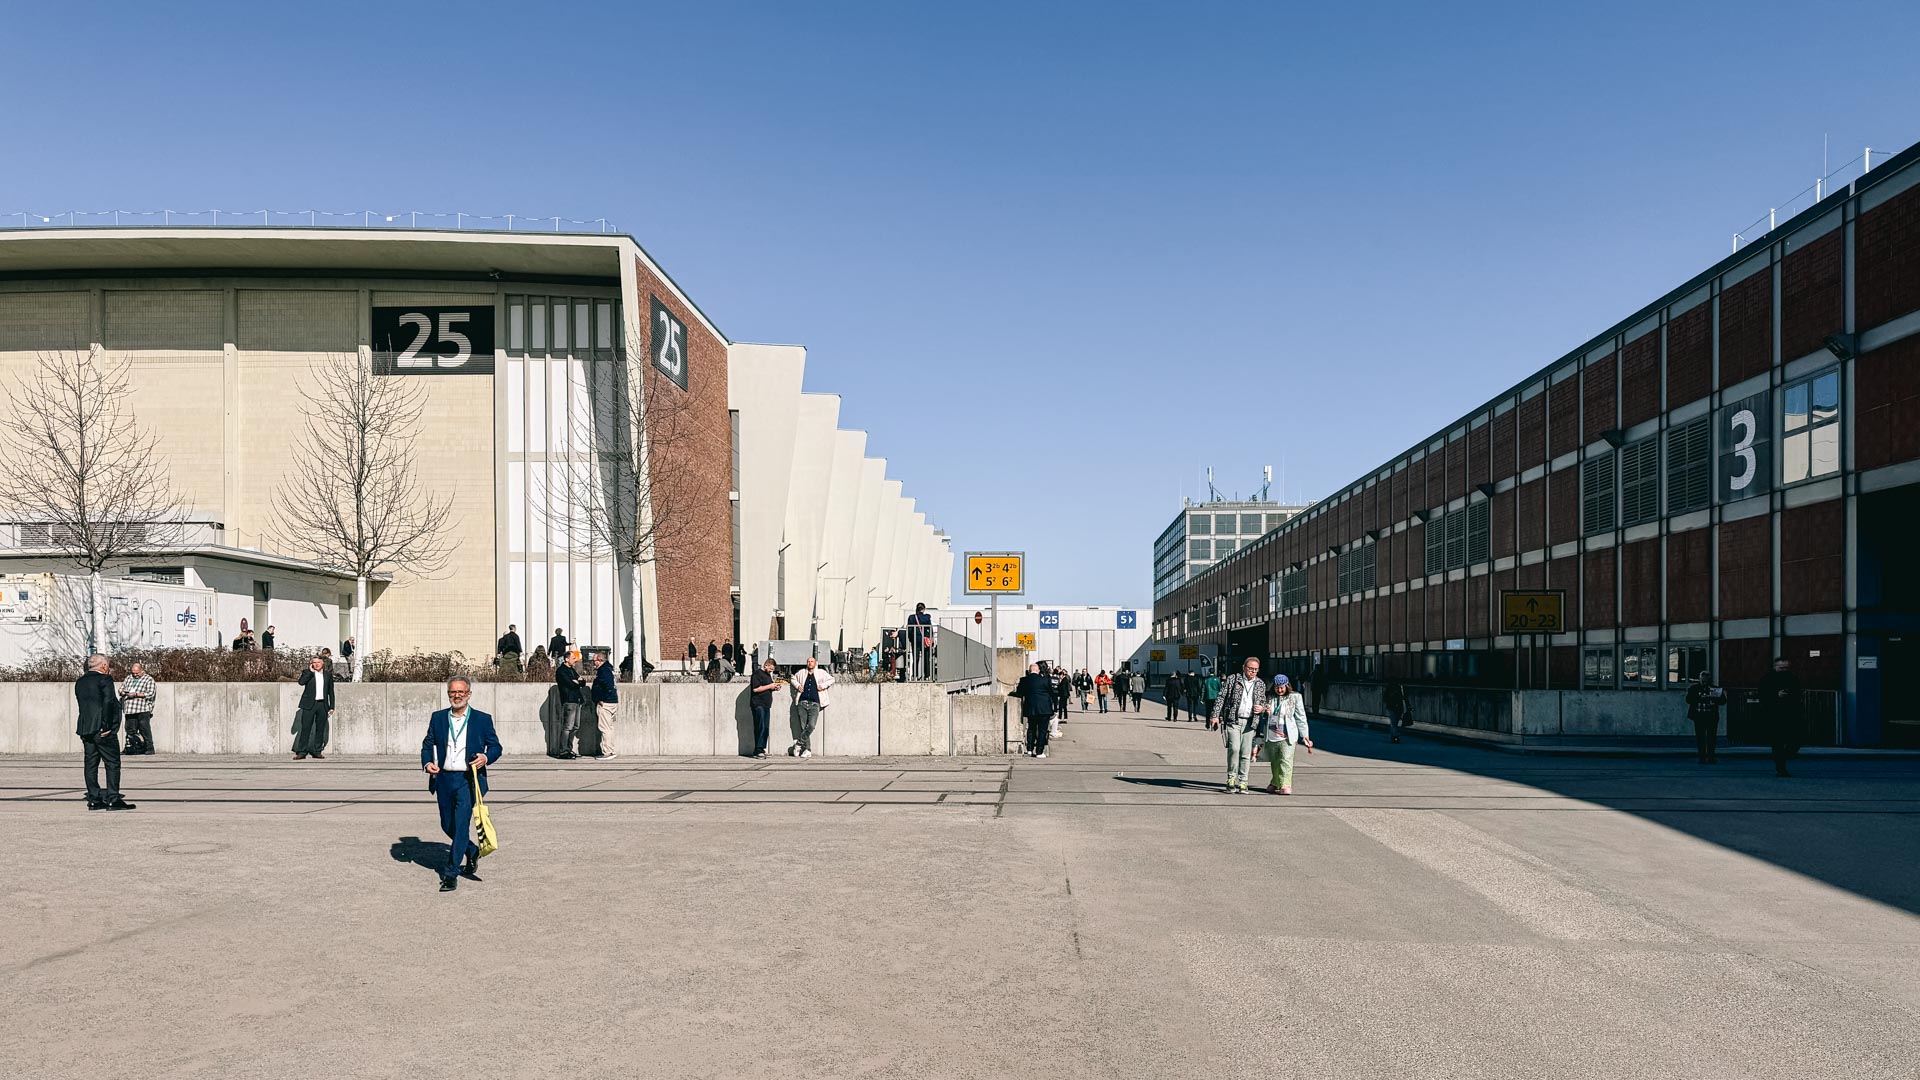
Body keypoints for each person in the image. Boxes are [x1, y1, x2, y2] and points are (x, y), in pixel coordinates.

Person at [420, 676, 503, 892]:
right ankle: (471, 850)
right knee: (447, 825)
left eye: (461, 692)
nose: (457, 696)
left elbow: (496, 747)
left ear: (469, 694)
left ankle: (451, 874)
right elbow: (427, 744)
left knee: (461, 825)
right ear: (448, 694)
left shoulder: (482, 719)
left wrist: (486, 757)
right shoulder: (438, 718)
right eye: (453, 692)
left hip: (468, 780)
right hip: (444, 779)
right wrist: (427, 763)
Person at [76, 654, 132, 810]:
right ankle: (113, 798)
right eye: (108, 664)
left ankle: (94, 799)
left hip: (86, 728)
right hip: (102, 728)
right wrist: (106, 726)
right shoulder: (104, 679)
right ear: (104, 665)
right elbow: (108, 702)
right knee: (112, 762)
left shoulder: (80, 681)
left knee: (90, 764)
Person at [1212, 656, 1269, 793]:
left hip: (1250, 722)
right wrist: (1215, 715)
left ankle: (1243, 781)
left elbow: (1264, 702)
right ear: (1244, 667)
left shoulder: (1260, 684)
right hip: (1234, 720)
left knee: (1246, 753)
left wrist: (1262, 708)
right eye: (1250, 669)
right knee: (1234, 749)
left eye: (1256, 669)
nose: (1253, 672)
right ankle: (1231, 778)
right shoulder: (1233, 679)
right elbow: (1221, 697)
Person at [1259, 674, 1313, 795]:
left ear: (1287, 686)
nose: (1279, 690)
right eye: (1277, 687)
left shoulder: (1295, 697)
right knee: (1275, 761)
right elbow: (1262, 715)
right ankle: (1275, 782)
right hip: (1272, 734)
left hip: (1287, 735)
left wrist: (1305, 735)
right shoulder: (1269, 697)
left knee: (1285, 760)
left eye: (1282, 687)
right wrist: (1265, 712)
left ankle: (1285, 784)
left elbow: (1301, 717)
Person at [1757, 657, 1803, 778]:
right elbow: (1762, 696)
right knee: (1778, 744)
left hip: (1791, 715)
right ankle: (1781, 768)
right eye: (1781, 668)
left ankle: (1784, 758)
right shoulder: (1767, 679)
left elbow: (1798, 694)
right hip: (1774, 716)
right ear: (1775, 667)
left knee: (1796, 740)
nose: (1784, 670)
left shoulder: (1793, 678)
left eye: (1786, 668)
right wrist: (1776, 695)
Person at [788, 655, 834, 758]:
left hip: (815, 704)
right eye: (808, 661)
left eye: (812, 661)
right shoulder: (802, 672)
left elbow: (832, 679)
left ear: (815, 663)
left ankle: (799, 744)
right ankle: (807, 750)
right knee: (803, 726)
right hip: (802, 703)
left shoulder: (821, 672)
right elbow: (792, 678)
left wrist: (823, 686)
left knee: (811, 725)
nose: (810, 663)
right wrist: (798, 686)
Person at [293, 655, 336, 759]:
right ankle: (302, 752)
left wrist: (332, 706)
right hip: (309, 705)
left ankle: (317, 751)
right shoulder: (307, 673)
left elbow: (331, 691)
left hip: (322, 705)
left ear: (322, 663)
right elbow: (301, 682)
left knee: (320, 729)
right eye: (314, 662)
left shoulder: (327, 675)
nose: (316, 664)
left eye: (318, 662)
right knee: (305, 728)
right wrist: (310, 672)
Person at [1012, 662, 1056, 758]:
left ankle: (1029, 749)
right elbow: (1052, 693)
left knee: (1031, 728)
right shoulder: (1045, 680)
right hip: (1044, 709)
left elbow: (1019, 693)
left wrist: (1011, 693)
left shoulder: (1024, 680)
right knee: (1042, 730)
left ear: (1029, 671)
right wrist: (1054, 707)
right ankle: (1039, 751)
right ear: (1038, 670)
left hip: (1031, 708)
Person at [1685, 670, 1726, 765]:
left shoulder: (1714, 689)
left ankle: (1710, 757)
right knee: (1700, 737)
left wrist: (1714, 699)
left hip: (1711, 716)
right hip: (1699, 716)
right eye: (1703, 680)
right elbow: (1688, 699)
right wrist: (1700, 698)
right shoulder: (1694, 688)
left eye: (1706, 680)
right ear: (1700, 679)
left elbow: (1723, 701)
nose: (1704, 682)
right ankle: (1702, 757)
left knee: (1711, 737)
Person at [552, 652, 585, 759]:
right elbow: (570, 684)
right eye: (573, 658)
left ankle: (569, 749)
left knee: (575, 726)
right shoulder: (561, 671)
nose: (575, 660)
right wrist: (576, 682)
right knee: (567, 726)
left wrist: (578, 682)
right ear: (566, 659)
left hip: (577, 700)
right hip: (569, 700)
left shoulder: (572, 670)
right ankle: (563, 751)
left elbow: (583, 682)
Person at [119, 661, 157, 755]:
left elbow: (151, 693)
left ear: (141, 671)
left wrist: (136, 694)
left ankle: (149, 748)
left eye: (137, 673)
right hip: (130, 709)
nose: (135, 675)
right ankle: (130, 748)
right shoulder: (128, 678)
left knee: (144, 729)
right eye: (133, 673)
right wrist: (123, 692)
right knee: (130, 730)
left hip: (142, 708)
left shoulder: (148, 679)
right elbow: (121, 689)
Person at [591, 649, 619, 760]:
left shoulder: (604, 671)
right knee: (609, 728)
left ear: (600, 661)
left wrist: (601, 698)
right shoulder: (609, 670)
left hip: (606, 703)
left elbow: (608, 687)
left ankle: (607, 752)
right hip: (612, 701)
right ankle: (610, 750)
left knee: (605, 728)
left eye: (594, 661)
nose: (594, 663)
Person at [749, 659, 780, 758]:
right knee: (760, 726)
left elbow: (766, 688)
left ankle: (761, 748)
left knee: (765, 727)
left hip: (766, 704)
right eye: (770, 669)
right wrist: (770, 686)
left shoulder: (767, 675)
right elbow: (755, 689)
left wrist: (774, 688)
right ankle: (758, 750)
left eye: (772, 669)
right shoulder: (757, 674)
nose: (771, 671)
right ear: (766, 665)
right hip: (758, 704)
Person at [907, 602, 935, 680]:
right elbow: (930, 629)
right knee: (926, 658)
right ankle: (927, 676)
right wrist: (931, 638)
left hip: (915, 639)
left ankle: (915, 676)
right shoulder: (927, 618)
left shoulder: (912, 618)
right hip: (925, 640)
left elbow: (909, 629)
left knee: (915, 658)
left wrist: (910, 638)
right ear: (923, 609)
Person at [1383, 679, 1408, 743]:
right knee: (1395, 722)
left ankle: (1394, 736)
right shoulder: (1399, 688)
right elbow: (1404, 698)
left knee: (1394, 722)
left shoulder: (1389, 689)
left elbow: (1385, 698)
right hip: (1398, 707)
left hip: (1392, 707)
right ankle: (1395, 735)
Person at [1050, 665, 1071, 736]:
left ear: (1062, 675)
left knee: (1062, 706)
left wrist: (1058, 687)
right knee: (1063, 706)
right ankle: (1063, 717)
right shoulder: (1063, 680)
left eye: (1060, 676)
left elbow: (1064, 688)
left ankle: (1062, 717)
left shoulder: (1065, 680)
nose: (1059, 677)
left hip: (1063, 695)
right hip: (1063, 695)